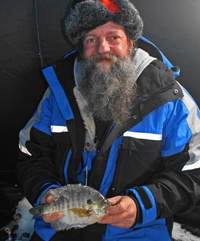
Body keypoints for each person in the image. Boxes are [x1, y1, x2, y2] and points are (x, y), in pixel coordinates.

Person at [17, 0, 200, 240]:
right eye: (91, 39)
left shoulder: (171, 100)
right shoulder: (57, 94)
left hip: (138, 233)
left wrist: (142, 205)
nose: (102, 48)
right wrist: (44, 193)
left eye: (114, 37)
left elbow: (193, 172)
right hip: (61, 229)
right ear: (82, 47)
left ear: (131, 43)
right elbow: (30, 153)